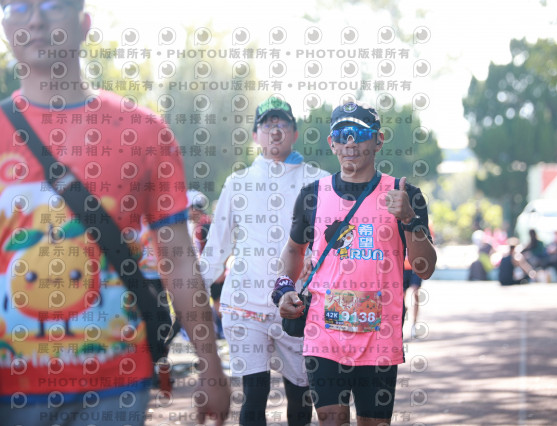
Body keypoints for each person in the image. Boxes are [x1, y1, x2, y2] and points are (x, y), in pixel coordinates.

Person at [0, 1, 230, 424]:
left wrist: (210, 363)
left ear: (84, 23)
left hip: (115, 386)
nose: (35, 18)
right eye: (18, 5)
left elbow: (178, 258)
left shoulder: (144, 132)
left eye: (52, 4)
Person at [274, 101, 437, 425]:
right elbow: (293, 250)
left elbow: (425, 268)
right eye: (342, 134)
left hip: (379, 336)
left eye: (359, 134)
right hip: (324, 334)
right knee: (331, 420)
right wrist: (282, 289)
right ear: (332, 143)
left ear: (378, 140)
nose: (350, 143)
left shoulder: (404, 194)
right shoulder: (312, 195)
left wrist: (409, 218)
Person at [202, 97, 329, 425]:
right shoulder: (238, 182)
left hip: (297, 303)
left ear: (294, 133)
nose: (275, 131)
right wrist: (196, 290)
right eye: (267, 124)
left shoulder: (318, 181)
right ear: (256, 135)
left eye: (282, 124)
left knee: (300, 395)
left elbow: (333, 241)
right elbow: (217, 245)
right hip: (245, 305)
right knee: (254, 393)